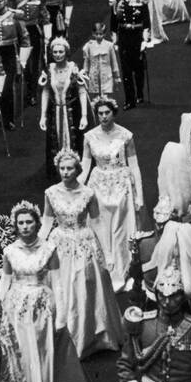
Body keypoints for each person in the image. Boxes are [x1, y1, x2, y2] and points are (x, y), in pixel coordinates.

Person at [0, 201, 90, 382]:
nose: (25, 226)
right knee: (20, 354)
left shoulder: (49, 249)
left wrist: (62, 317)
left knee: (41, 354)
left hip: (41, 308)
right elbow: (4, 282)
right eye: (21, 223)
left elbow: (58, 284)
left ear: (37, 224)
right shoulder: (9, 251)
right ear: (15, 225)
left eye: (29, 222)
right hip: (16, 307)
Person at [42, 150, 124, 358]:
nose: (66, 172)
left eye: (70, 168)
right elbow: (46, 223)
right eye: (62, 168)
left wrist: (109, 253)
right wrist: (38, 248)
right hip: (60, 243)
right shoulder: (50, 192)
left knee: (84, 286)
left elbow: (97, 222)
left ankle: (86, 337)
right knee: (61, 285)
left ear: (78, 170)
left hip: (84, 243)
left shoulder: (88, 193)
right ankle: (62, 337)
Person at [81, 96, 143, 290]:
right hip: (98, 186)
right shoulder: (89, 137)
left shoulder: (125, 136)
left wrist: (139, 194)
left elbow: (134, 165)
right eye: (100, 113)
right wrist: (76, 190)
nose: (103, 116)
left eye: (107, 112)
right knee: (99, 229)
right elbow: (84, 165)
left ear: (113, 113)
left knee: (119, 232)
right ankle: (102, 273)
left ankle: (120, 274)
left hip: (120, 186)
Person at [39, 37, 88, 177]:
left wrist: (84, 115)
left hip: (72, 111)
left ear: (66, 52)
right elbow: (46, 91)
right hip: (55, 113)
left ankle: (74, 169)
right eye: (55, 52)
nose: (58, 54)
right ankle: (59, 170)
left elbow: (82, 91)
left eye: (61, 51)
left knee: (75, 140)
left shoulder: (73, 68)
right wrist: (43, 115)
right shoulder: (50, 69)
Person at [110, 0, 150, 107]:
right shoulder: (116, 2)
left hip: (137, 36)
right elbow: (113, 24)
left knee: (138, 68)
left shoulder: (140, 0)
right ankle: (129, 99)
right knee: (126, 69)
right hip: (124, 37)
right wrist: (115, 41)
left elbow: (146, 22)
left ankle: (139, 93)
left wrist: (145, 40)